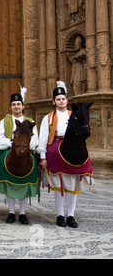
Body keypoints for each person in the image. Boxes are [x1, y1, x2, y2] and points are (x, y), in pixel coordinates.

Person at [37, 81, 94, 228]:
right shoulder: (48, 118)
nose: (61, 101)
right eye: (58, 99)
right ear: (53, 102)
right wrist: (43, 157)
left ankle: (71, 215)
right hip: (57, 148)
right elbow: (43, 138)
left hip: (74, 149)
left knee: (73, 183)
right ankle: (60, 214)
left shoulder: (74, 115)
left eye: (63, 98)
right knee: (59, 184)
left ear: (67, 100)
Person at [0, 86, 40, 224]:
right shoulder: (4, 121)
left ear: (23, 106)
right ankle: (11, 212)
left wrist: (25, 146)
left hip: (26, 154)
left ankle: (23, 213)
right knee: (9, 181)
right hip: (10, 151)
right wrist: (12, 143)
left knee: (24, 183)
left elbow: (35, 140)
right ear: (10, 107)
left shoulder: (30, 122)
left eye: (18, 104)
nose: (16, 106)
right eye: (14, 104)